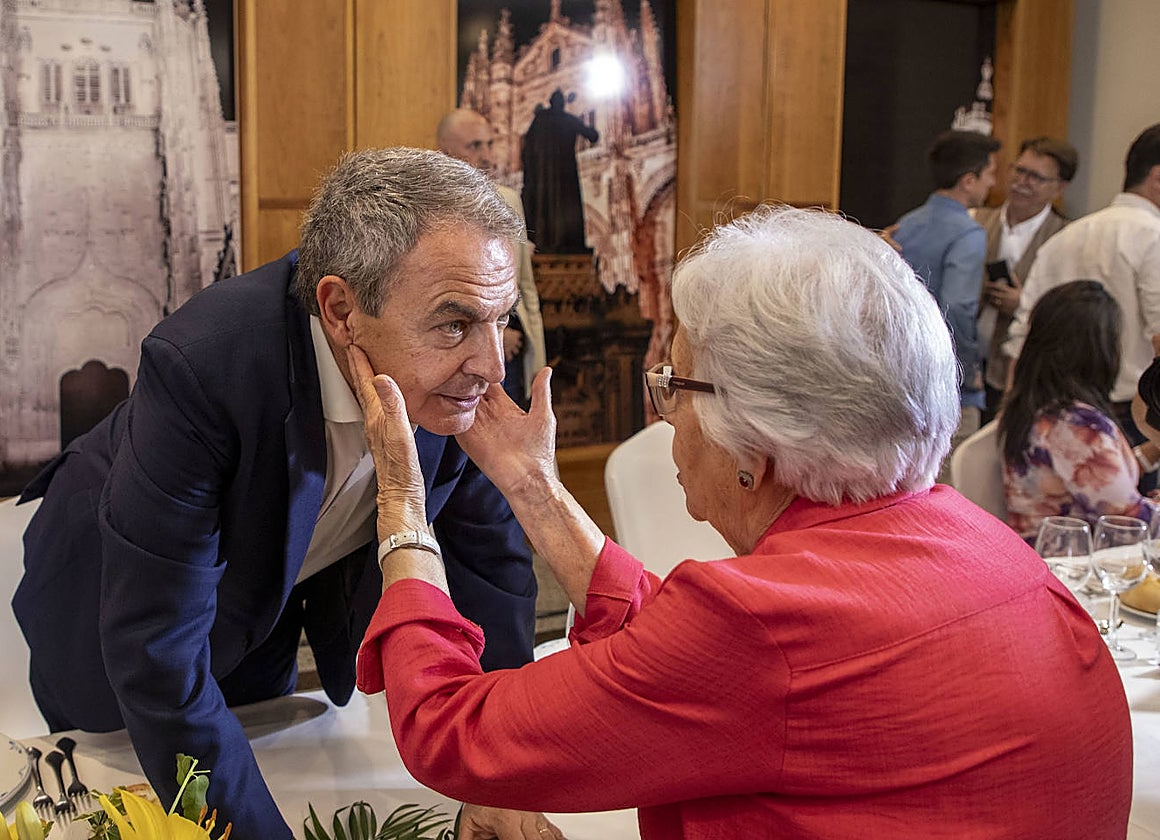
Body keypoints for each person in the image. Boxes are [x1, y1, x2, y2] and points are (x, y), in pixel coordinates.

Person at [351, 206, 1132, 839]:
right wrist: (534, 487)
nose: (665, 416)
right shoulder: (979, 539)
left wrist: (402, 504)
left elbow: (449, 732)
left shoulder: (763, 625)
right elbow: (695, 661)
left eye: (675, 385)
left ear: (755, 443)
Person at [12, 148, 552, 839]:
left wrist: (498, 778)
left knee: (264, 750)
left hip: (264, 604)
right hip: (111, 601)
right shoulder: (203, 366)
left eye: (500, 319)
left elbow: (491, 575)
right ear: (341, 310)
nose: (492, 367)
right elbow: (157, 656)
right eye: (455, 324)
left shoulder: (456, 371)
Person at [1006, 124, 1160, 458]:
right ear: (1157, 177)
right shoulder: (1154, 237)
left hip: (1043, 417)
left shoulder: (1064, 237)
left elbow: (1022, 337)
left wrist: (1008, 423)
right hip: (1128, 421)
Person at [999, 281, 1158, 543]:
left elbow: (1101, 479)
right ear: (1098, 351)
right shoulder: (1075, 426)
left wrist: (1153, 451)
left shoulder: (1039, 410)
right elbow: (1130, 524)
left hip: (1044, 556)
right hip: (1072, 561)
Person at [893, 129, 1001, 481]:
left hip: (902, 370)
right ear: (969, 180)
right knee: (953, 483)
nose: (993, 183)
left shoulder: (905, 224)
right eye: (990, 174)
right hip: (948, 380)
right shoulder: (968, 233)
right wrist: (969, 371)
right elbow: (958, 307)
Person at [437, 107, 547, 408]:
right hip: (452, 353)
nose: (486, 155)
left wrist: (537, 359)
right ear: (445, 152)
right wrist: (493, 332)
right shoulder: (429, 209)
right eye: (475, 146)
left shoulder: (509, 201)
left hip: (510, 355)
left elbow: (525, 288)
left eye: (489, 144)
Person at [973, 136, 1077, 422]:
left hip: (1019, 374)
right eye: (1019, 171)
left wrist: (1024, 304)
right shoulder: (975, 219)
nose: (1022, 182)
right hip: (966, 362)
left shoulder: (1066, 237)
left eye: (1036, 177)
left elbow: (1070, 315)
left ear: (1060, 187)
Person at [520, 89, 599, 254]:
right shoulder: (568, 119)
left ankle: (546, 241)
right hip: (566, 175)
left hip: (543, 176)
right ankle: (565, 242)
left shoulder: (540, 120)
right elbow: (593, 135)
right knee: (566, 206)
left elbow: (527, 149)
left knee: (545, 207)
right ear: (562, 104)